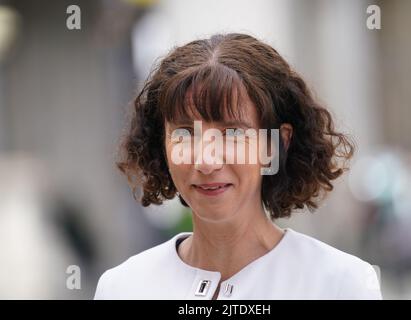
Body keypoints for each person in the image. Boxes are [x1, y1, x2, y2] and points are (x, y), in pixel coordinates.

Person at [94, 33, 382, 300]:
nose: (206, 161)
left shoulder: (339, 284)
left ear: (274, 146)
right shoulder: (123, 288)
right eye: (185, 134)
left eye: (232, 134)